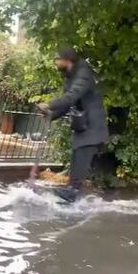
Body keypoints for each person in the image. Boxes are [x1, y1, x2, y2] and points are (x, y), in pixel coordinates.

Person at [37, 47, 108, 202]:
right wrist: (51, 114)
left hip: (93, 127)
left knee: (81, 159)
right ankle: (72, 196)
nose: (55, 62)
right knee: (76, 158)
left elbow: (72, 96)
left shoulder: (83, 73)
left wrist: (49, 104)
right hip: (83, 127)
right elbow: (69, 103)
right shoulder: (71, 76)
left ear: (66, 59)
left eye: (57, 59)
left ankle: (73, 195)